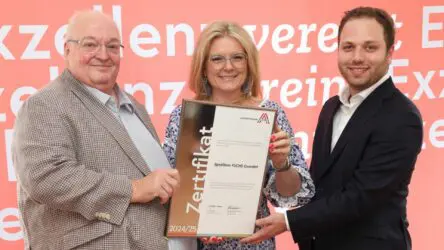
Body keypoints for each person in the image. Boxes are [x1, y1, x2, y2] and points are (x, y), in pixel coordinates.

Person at [241, 6, 423, 250]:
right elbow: (319, 183)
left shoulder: (401, 117)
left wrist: (289, 221)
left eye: (370, 47)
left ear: (389, 52)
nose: (357, 57)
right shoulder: (331, 107)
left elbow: (362, 197)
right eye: (348, 47)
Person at [12, 11, 188, 250]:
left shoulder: (135, 107)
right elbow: (46, 177)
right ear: (67, 50)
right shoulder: (45, 105)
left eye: (113, 46)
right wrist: (134, 188)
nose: (104, 55)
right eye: (90, 45)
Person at [163, 20, 315, 250]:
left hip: (253, 244)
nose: (228, 67)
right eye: (217, 59)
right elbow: (171, 187)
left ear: (248, 63)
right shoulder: (185, 117)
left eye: (237, 57)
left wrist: (282, 164)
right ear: (203, 67)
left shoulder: (269, 114)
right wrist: (195, 225)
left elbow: (291, 195)